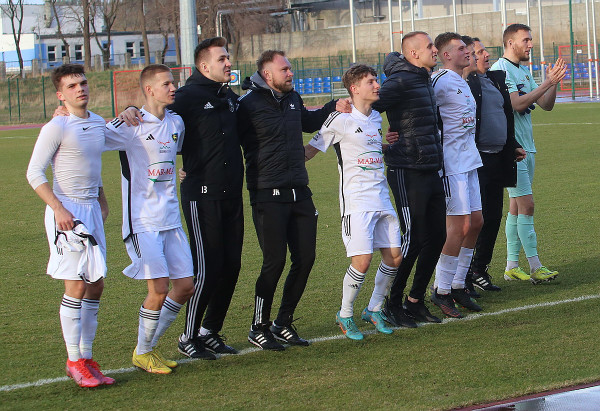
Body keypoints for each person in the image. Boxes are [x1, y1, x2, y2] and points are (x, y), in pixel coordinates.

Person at [119, 37, 243, 359]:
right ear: (204, 66)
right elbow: (150, 116)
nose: (228, 63)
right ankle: (187, 337)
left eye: (228, 57)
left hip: (231, 193)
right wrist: (130, 109)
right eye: (222, 58)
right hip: (199, 197)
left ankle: (208, 332)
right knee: (206, 269)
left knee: (231, 266)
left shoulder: (228, 96)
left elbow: (173, 135)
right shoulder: (186, 97)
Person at [237, 50, 342, 350]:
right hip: (267, 194)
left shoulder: (293, 98)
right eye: (284, 69)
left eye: (290, 69)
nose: (290, 73)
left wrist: (333, 106)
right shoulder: (247, 104)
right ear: (267, 74)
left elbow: (308, 122)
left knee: (305, 259)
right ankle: (258, 326)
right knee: (274, 262)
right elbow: (222, 136)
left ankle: (283, 322)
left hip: (300, 191)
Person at [26, 64, 115, 387]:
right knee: (75, 286)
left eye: (83, 83)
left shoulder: (97, 122)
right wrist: (58, 208)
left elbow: (92, 164)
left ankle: (87, 358)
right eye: (72, 86)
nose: (80, 89)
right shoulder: (56, 126)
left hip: (91, 210)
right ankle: (73, 360)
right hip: (67, 212)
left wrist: (102, 200)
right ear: (60, 95)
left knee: (96, 284)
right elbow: (34, 173)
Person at [105, 64, 195, 374]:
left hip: (171, 219)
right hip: (143, 222)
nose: (173, 88)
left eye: (173, 82)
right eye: (166, 83)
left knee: (185, 286)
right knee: (158, 288)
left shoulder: (176, 122)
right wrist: (64, 116)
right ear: (149, 90)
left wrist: (178, 171)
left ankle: (147, 347)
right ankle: (143, 352)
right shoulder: (129, 125)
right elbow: (89, 139)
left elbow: (171, 155)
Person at [304, 64, 402, 340]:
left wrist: (387, 146)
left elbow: (370, 148)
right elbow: (311, 150)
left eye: (376, 80)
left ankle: (374, 309)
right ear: (354, 88)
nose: (377, 85)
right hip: (357, 201)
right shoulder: (339, 119)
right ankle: (345, 313)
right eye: (371, 81)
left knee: (394, 257)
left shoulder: (376, 118)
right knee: (363, 260)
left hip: (381, 196)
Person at [372, 31, 445, 327]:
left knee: (437, 236)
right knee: (412, 238)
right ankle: (390, 303)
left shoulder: (424, 78)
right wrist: (379, 143)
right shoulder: (399, 81)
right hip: (406, 169)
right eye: (429, 46)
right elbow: (365, 108)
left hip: (430, 167)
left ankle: (414, 301)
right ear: (414, 53)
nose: (434, 50)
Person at [490, 24, 566, 284]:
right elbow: (516, 103)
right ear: (511, 42)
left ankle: (511, 266)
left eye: (531, 39)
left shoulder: (523, 70)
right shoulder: (500, 69)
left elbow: (546, 104)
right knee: (527, 205)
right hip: (513, 150)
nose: (531, 44)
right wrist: (547, 82)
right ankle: (535, 266)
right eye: (526, 40)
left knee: (516, 207)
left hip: (528, 147)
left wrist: (552, 84)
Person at [463, 37, 526, 295]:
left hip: (498, 158)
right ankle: (462, 275)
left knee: (492, 217)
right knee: (473, 220)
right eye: (479, 52)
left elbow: (504, 117)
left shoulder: (495, 79)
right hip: (475, 160)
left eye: (484, 51)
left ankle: (479, 269)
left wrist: (512, 145)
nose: (486, 55)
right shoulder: (466, 84)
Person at [430, 32, 483, 318]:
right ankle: (441, 289)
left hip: (469, 160)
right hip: (450, 163)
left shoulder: (462, 81)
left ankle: (459, 284)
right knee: (459, 227)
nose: (468, 52)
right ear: (446, 55)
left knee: (476, 222)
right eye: (461, 48)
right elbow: (420, 111)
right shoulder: (439, 80)